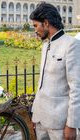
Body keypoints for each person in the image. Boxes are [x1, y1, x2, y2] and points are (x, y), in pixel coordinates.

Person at [30, 2, 80, 140]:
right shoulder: (46, 45)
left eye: (36, 25)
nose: (35, 30)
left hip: (60, 123)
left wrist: (72, 124)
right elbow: (42, 83)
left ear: (46, 23)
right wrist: (35, 114)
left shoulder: (71, 45)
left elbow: (76, 88)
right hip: (41, 119)